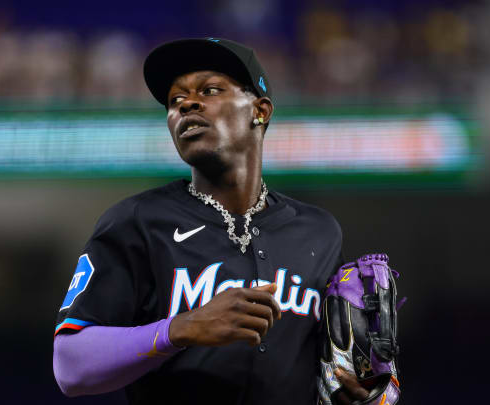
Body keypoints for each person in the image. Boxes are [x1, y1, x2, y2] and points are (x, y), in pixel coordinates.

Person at [52, 38, 371, 405]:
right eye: (174, 101)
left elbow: (332, 370)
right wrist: (180, 329)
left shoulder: (319, 232)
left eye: (210, 90)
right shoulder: (138, 221)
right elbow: (70, 365)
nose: (186, 104)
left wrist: (358, 387)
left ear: (260, 111)